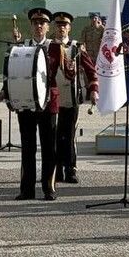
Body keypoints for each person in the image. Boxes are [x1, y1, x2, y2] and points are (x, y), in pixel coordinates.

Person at [0, 7, 62, 201]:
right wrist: (5, 90)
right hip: (25, 101)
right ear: (31, 26)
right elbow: (14, 71)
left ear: (48, 27)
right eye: (35, 23)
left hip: (48, 102)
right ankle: (27, 189)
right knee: (27, 147)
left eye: (42, 23)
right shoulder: (21, 47)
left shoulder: (56, 47)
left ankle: (49, 188)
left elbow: (54, 70)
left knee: (49, 147)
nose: (39, 26)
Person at [50, 11, 98, 185]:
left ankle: (70, 169)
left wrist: (93, 89)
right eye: (58, 25)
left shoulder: (76, 47)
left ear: (69, 28)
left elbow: (91, 70)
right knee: (54, 135)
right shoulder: (48, 46)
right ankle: (57, 170)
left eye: (65, 25)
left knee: (68, 135)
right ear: (54, 27)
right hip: (51, 98)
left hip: (71, 97)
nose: (61, 28)